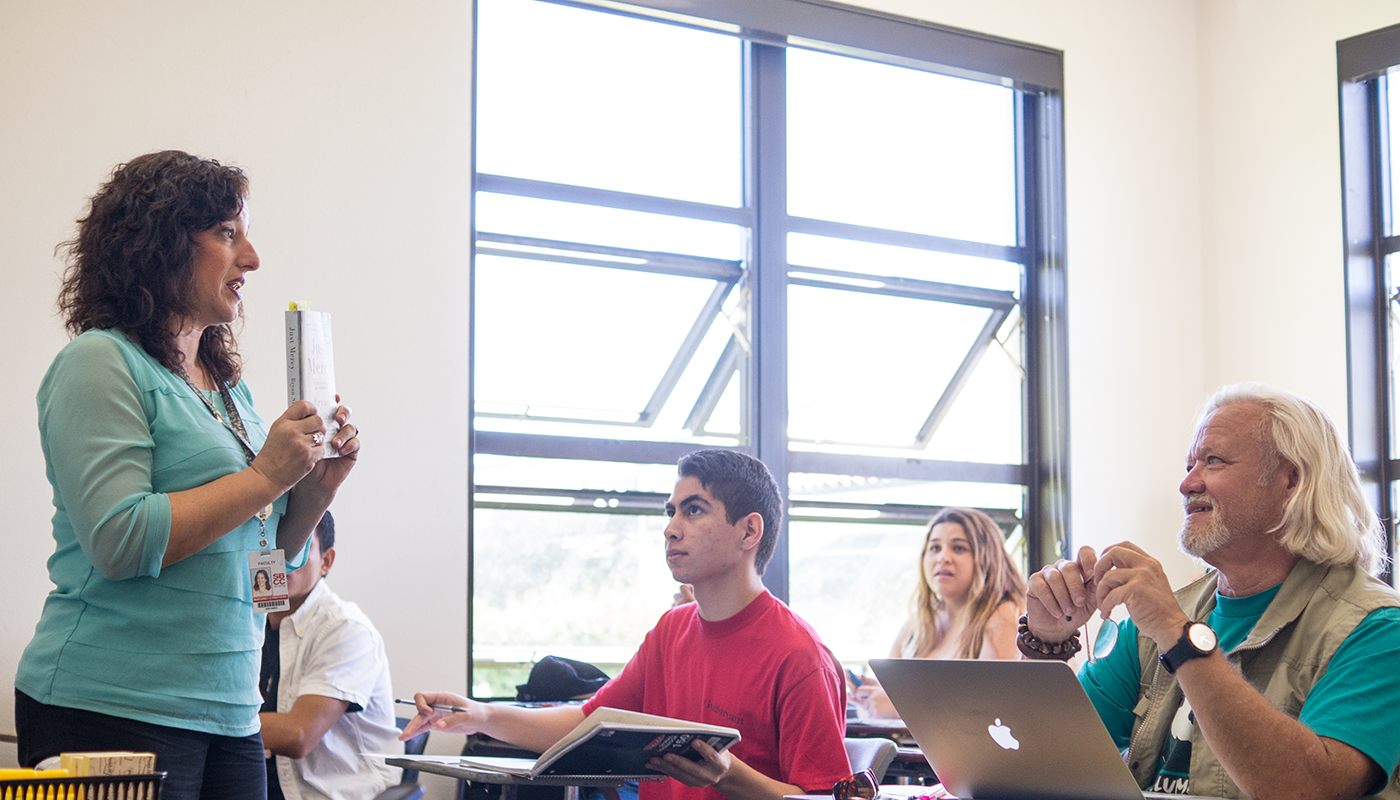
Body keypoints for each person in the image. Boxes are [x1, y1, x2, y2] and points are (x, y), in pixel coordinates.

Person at [14, 150, 361, 800]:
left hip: (232, 714)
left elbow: (263, 574)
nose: (252, 259)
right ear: (162, 243)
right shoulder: (99, 363)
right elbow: (121, 542)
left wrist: (316, 487)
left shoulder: (233, 397)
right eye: (229, 233)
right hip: (111, 704)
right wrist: (264, 478)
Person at [401, 449, 851, 800]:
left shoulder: (799, 657)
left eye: (693, 510)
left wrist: (728, 776)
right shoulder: (671, 632)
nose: (671, 528)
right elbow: (585, 721)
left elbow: (820, 797)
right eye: (670, 511)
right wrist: (480, 716)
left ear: (749, 532)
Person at [1024, 383, 1400, 799]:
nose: (1187, 484)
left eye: (1213, 461)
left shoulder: (1379, 630)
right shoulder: (1153, 625)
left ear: (1291, 480)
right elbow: (1044, 757)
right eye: (1189, 465)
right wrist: (1048, 639)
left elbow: (1306, 789)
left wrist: (1176, 634)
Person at [260, 511, 401, 800]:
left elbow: (298, 734)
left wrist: (205, 719)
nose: (279, 561)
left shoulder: (347, 628)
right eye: (268, 548)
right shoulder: (246, 625)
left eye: (296, 548)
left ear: (326, 561)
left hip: (335, 794)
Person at [854, 507, 1026, 718]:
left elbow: (1000, 710)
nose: (943, 557)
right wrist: (872, 694)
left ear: (987, 557)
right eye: (934, 547)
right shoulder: (916, 625)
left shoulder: (1003, 617)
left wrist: (903, 708)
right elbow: (898, 695)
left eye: (959, 548)